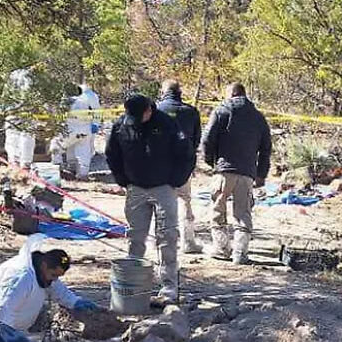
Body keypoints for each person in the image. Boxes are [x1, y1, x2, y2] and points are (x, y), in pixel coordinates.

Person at [105, 93, 194, 301]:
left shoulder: (167, 124)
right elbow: (112, 153)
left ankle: (169, 287)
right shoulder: (122, 125)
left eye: (139, 116)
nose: (135, 121)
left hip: (164, 187)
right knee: (135, 237)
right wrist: (122, 180)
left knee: (167, 237)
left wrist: (176, 181)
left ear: (149, 110)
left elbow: (187, 154)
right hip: (135, 188)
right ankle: (133, 285)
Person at [0, 234, 98, 342]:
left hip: (15, 328)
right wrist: (3, 333)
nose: (54, 279)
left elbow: (59, 291)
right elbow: (2, 307)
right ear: (44, 265)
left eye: (58, 276)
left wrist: (75, 302)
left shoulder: (43, 272)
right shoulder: (21, 277)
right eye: (53, 275)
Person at [201, 83, 271, 264]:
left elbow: (207, 139)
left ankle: (221, 248)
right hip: (247, 173)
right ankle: (240, 253)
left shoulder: (221, 111)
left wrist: (211, 161)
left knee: (217, 210)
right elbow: (266, 149)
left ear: (231, 94)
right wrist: (261, 175)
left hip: (223, 171)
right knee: (243, 213)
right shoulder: (259, 117)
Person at [156, 79, 203, 254]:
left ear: (164, 92)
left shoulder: (156, 111)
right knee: (185, 200)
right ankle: (188, 241)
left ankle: (164, 241)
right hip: (183, 165)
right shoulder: (191, 112)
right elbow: (197, 139)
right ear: (179, 92)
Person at [68, 83, 102, 179]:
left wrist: (95, 124)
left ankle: (80, 173)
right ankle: (77, 172)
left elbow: (97, 111)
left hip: (79, 127)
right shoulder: (89, 95)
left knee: (80, 149)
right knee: (80, 150)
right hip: (77, 127)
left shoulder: (89, 95)